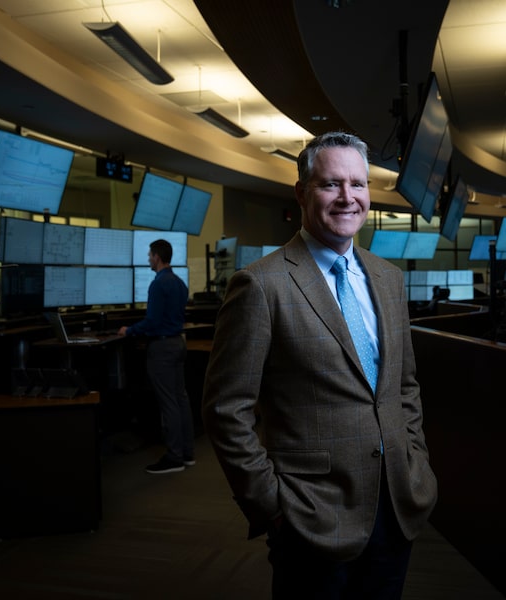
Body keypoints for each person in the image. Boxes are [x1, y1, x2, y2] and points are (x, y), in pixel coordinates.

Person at [201, 131, 438, 599]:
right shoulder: (261, 285)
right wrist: (271, 506)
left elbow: (404, 386)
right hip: (309, 515)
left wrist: (416, 461)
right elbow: (225, 409)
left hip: (397, 502)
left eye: (358, 184)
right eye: (331, 184)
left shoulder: (389, 279)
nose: (348, 197)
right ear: (302, 192)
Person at [118, 238, 195, 474]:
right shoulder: (179, 283)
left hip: (162, 348)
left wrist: (128, 330)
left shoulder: (158, 284)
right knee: (181, 399)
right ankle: (187, 453)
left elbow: (152, 322)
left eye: (150, 255)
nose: (148, 259)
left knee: (168, 402)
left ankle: (174, 458)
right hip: (178, 343)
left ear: (157, 257)